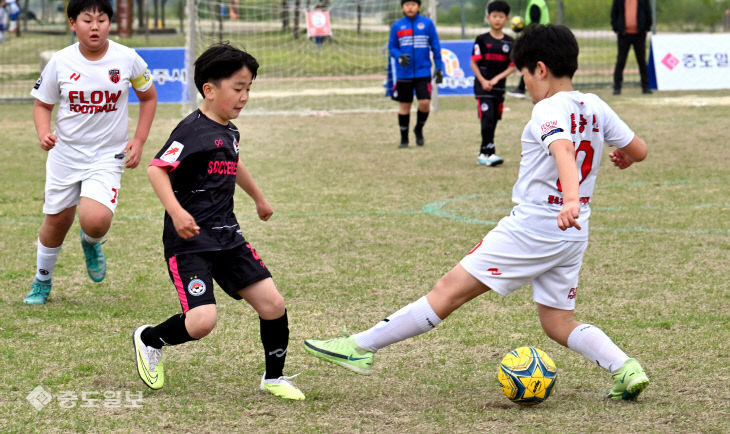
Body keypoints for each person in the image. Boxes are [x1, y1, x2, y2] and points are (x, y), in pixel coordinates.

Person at [305, 24, 651, 402]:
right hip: (573, 231)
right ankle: (625, 367)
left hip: (536, 225)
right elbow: (640, 149)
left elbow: (564, 150)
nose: (525, 85)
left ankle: (359, 346)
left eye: (523, 75)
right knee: (558, 322)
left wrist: (569, 197)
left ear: (539, 69)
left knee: (447, 292)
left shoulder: (547, 108)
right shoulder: (596, 104)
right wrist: (624, 157)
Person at [132, 43, 305, 401]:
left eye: (248, 89)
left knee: (272, 304)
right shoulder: (191, 131)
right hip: (190, 242)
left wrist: (259, 198)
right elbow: (157, 168)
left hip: (228, 237)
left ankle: (274, 377)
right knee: (201, 322)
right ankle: (150, 339)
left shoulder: (229, 131)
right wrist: (178, 213)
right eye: (237, 88)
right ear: (209, 90)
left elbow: (234, 164)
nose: (244, 97)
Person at [23, 0, 157, 305]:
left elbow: (148, 97)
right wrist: (44, 132)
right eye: (86, 20)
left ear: (111, 23)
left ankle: (91, 242)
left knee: (94, 221)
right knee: (57, 220)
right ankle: (42, 281)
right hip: (65, 153)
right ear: (72, 24)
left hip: (107, 155)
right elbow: (43, 104)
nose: (94, 27)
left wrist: (138, 140)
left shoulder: (127, 58)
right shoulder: (60, 61)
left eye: (101, 20)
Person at [388, 0, 444, 148]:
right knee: (404, 106)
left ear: (419, 7)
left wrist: (439, 67)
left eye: (413, 4)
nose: (410, 7)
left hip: (423, 72)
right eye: (407, 5)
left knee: (424, 103)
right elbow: (392, 47)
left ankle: (418, 129)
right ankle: (404, 139)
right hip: (404, 74)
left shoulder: (427, 24)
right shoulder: (397, 26)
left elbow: (436, 46)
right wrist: (399, 56)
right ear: (402, 8)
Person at [470, 1, 516, 167]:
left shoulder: (510, 42)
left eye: (501, 16)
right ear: (488, 18)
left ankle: (484, 152)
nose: (497, 20)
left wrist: (497, 79)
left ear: (507, 19)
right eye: (494, 16)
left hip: (498, 87)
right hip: (483, 87)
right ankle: (489, 152)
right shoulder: (481, 40)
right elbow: (473, 63)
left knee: (495, 119)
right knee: (487, 118)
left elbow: (513, 66)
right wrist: (483, 80)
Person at [508, 0, 550, 99]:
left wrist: (521, 29)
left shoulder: (535, 4)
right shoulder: (539, 2)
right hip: (542, 37)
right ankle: (521, 88)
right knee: (533, 65)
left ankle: (521, 89)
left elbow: (534, 25)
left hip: (537, 39)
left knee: (529, 64)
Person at [611, 0, 652, 95]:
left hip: (639, 34)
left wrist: (646, 27)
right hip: (623, 34)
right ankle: (617, 87)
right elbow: (614, 12)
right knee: (621, 61)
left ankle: (645, 87)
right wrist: (616, 28)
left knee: (641, 61)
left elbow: (648, 12)